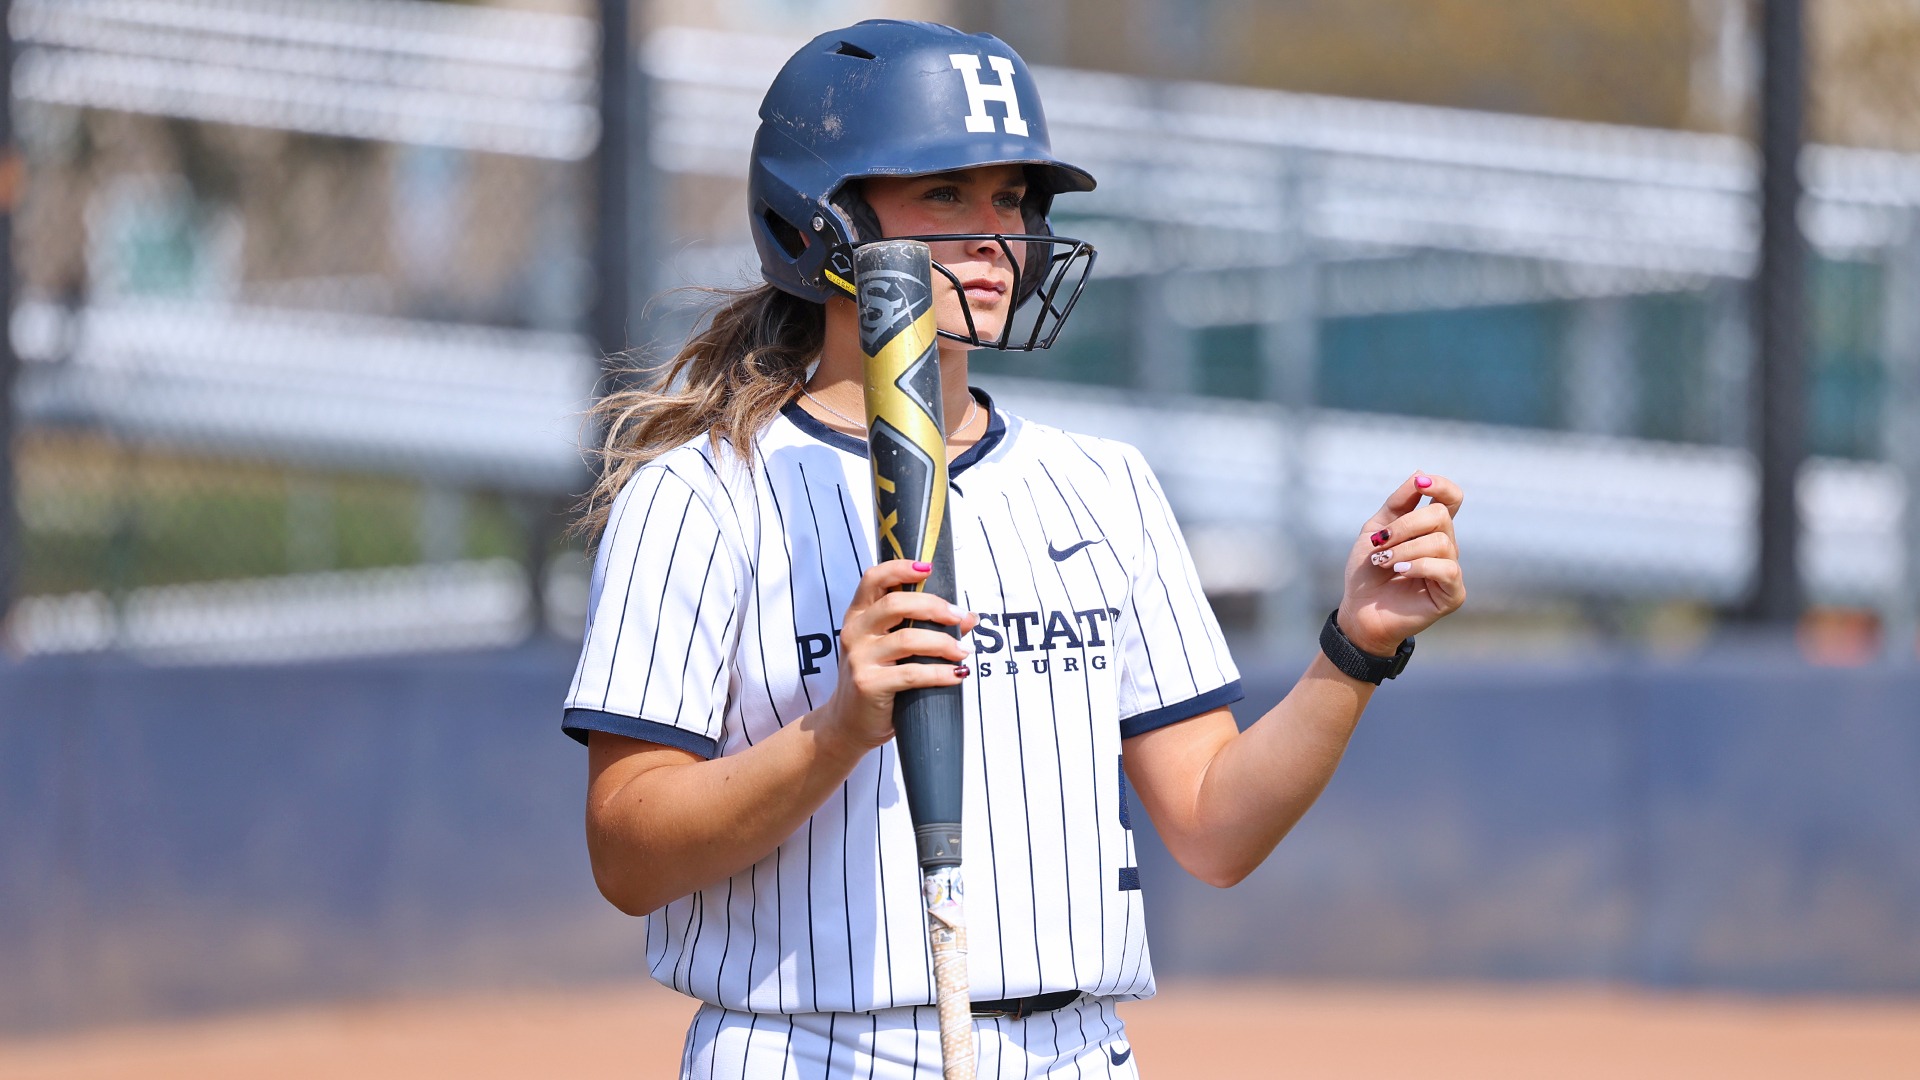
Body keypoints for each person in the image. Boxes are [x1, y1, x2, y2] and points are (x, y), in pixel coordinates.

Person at [562, 19, 1465, 1078]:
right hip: (813, 1048)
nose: (998, 234)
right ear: (821, 217)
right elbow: (628, 852)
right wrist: (836, 732)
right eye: (946, 193)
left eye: (1013, 198)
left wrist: (1352, 649)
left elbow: (1215, 827)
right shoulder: (705, 495)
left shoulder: (1102, 483)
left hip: (1079, 1049)